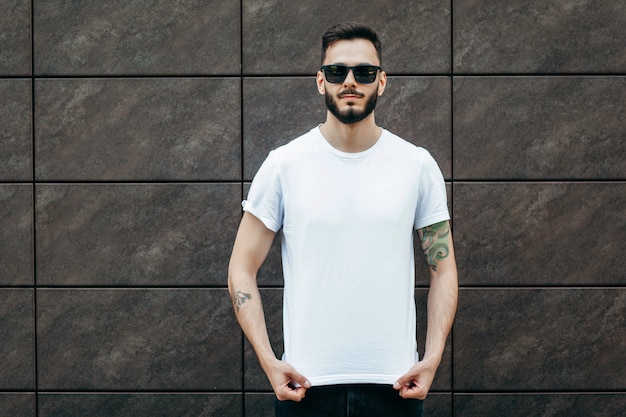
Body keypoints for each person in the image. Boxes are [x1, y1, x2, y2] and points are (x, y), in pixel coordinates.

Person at [228, 22, 458, 417]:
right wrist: (269, 361)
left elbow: (444, 268)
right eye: (337, 72)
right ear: (321, 81)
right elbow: (240, 269)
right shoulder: (284, 165)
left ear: (381, 82)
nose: (350, 81)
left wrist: (433, 357)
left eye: (364, 72)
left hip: (396, 388)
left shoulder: (416, 165)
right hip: (306, 389)